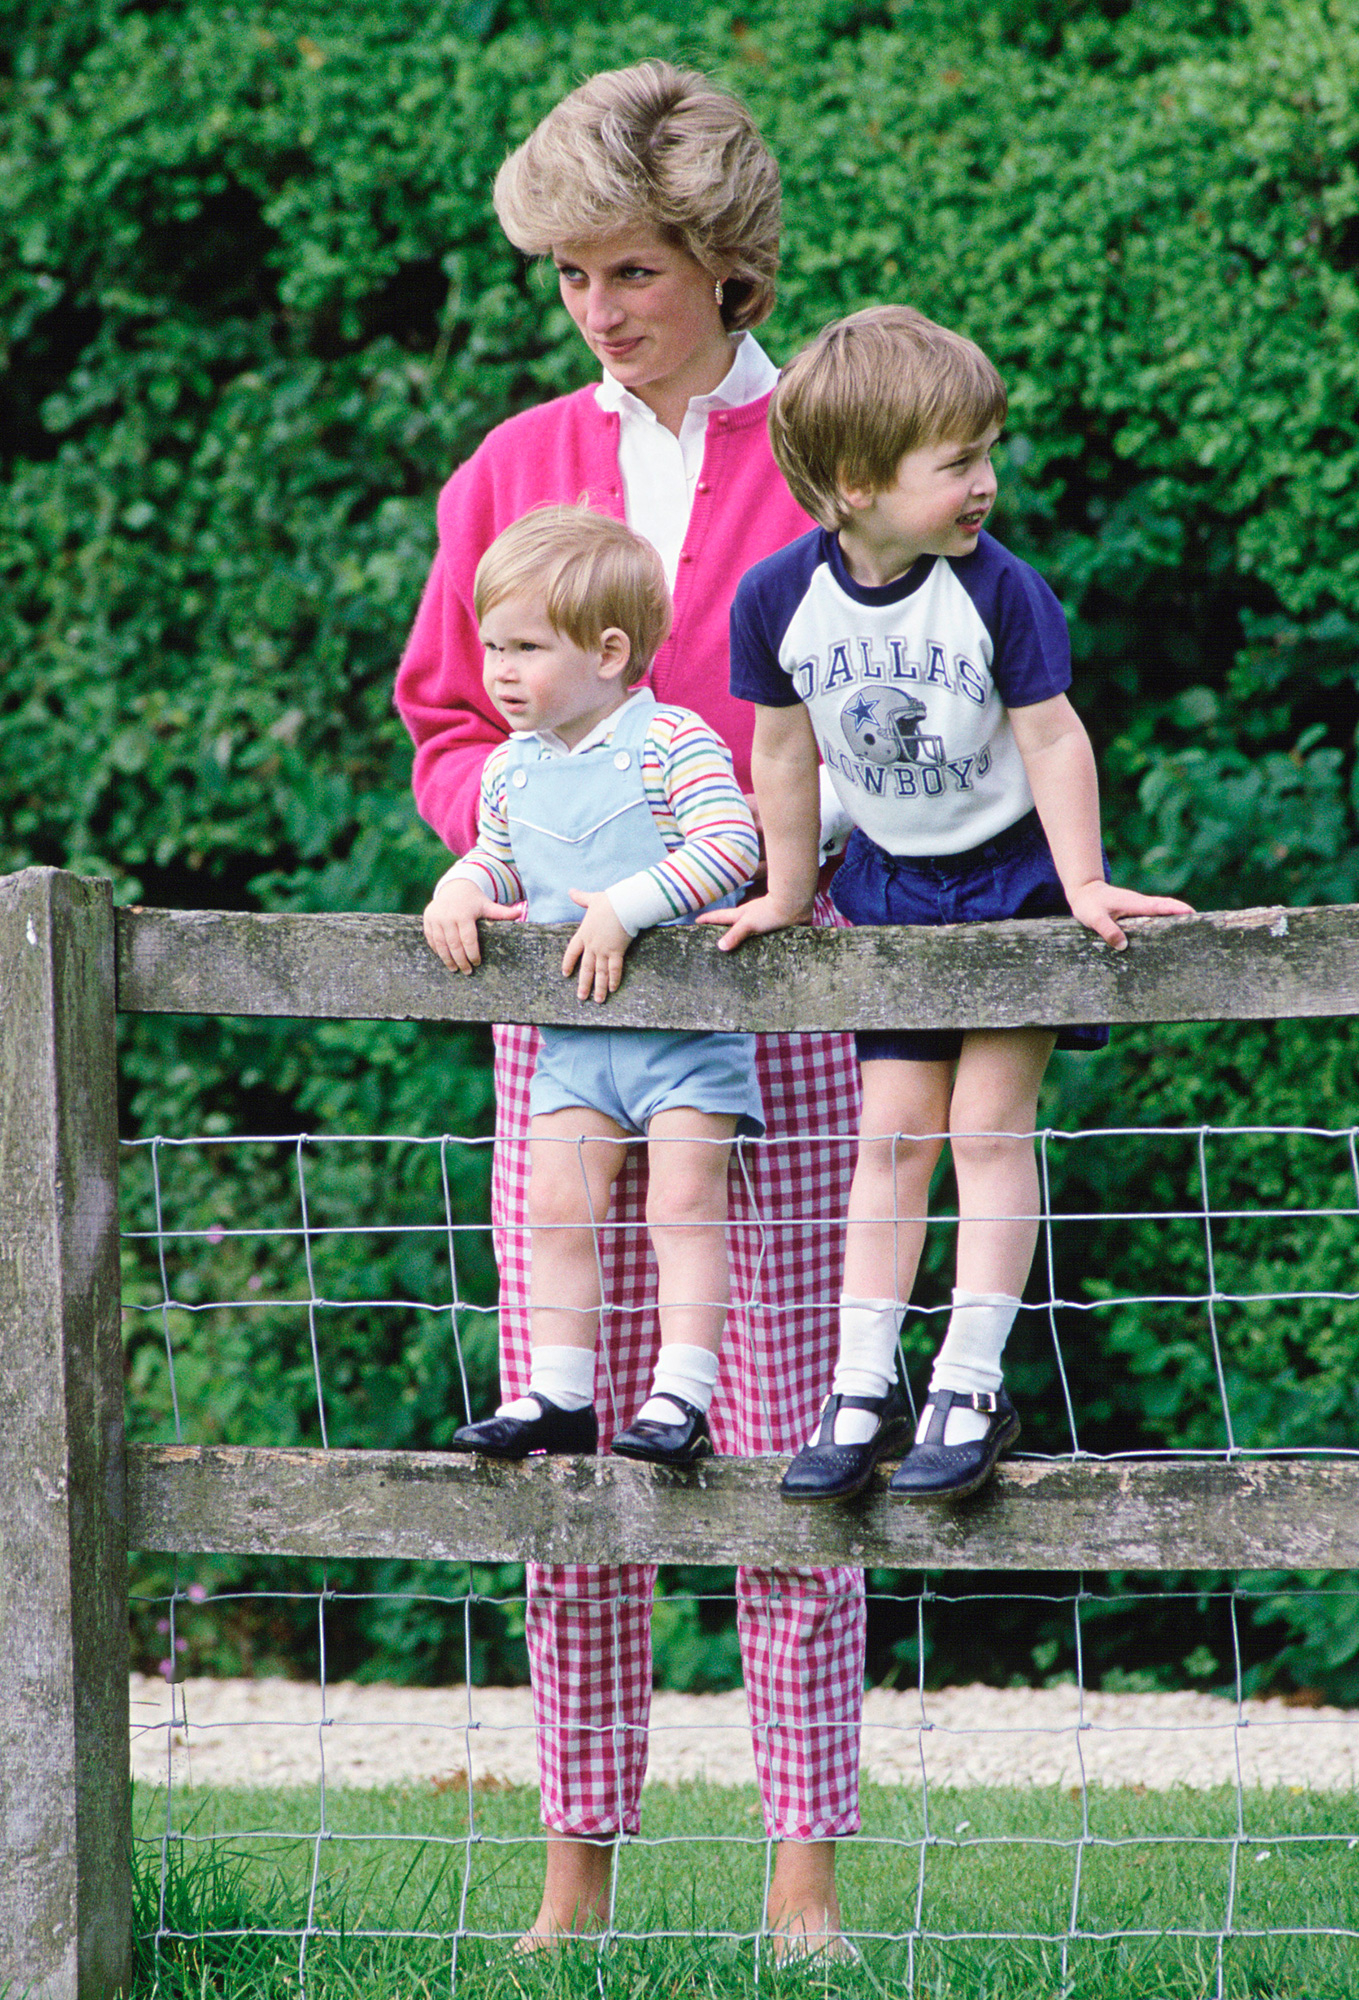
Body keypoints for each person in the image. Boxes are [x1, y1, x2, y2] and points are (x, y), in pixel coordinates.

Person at [395, 62, 864, 1957]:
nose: (594, 304)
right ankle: (571, 1885)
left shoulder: (835, 444)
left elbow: (925, 692)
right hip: (570, 1025)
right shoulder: (512, 468)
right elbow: (444, 719)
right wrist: (504, 853)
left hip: (797, 1010)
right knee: (571, 1442)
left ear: (722, 263)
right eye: (569, 271)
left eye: (628, 266)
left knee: (781, 1447)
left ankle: (801, 1892)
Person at [709, 305, 1193, 1503]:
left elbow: (1053, 735)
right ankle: (861, 1380)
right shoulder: (777, 601)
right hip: (888, 888)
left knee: (986, 1126)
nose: (988, 482)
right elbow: (782, 756)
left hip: (1011, 875)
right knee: (889, 1139)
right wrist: (782, 887)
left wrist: (1080, 881)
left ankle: (970, 1378)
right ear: (856, 484)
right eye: (958, 462)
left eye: (988, 452)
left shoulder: (1001, 591)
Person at [426, 507, 763, 1466]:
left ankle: (679, 1396)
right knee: (555, 1209)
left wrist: (628, 903)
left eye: (524, 648)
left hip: (683, 1044)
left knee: (681, 1208)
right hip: (573, 1048)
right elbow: (499, 862)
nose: (497, 670)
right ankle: (559, 1394)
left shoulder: (673, 741)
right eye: (490, 645)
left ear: (610, 651)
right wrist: (460, 887)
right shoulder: (507, 770)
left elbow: (732, 846)